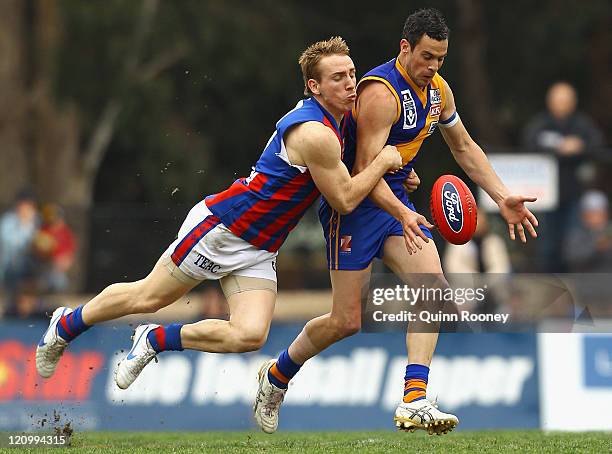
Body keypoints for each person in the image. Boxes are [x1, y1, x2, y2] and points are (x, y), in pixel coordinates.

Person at [35, 37, 403, 388]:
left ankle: (156, 338)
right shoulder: (315, 132)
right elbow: (345, 198)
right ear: (315, 86)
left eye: (352, 74)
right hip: (225, 228)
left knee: (249, 335)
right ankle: (67, 324)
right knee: (148, 297)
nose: (350, 84)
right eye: (338, 78)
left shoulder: (337, 120)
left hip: (260, 246)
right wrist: (386, 160)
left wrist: (395, 168)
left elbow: (353, 171)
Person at [254, 9, 538, 436]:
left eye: (440, 58)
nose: (433, 67)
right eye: (426, 56)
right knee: (345, 320)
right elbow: (365, 170)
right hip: (354, 207)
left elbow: (463, 147)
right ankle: (276, 376)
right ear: (405, 47)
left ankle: (414, 398)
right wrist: (404, 210)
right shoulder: (382, 93)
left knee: (434, 290)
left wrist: (502, 196)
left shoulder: (439, 92)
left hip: (395, 201)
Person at [523, 82, 604, 271]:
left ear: (573, 102)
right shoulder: (540, 124)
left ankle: (572, 291)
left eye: (565, 100)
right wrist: (559, 148)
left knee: (574, 245)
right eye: (557, 100)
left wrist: (579, 147)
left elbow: (596, 144)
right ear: (549, 102)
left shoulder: (582, 125)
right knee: (547, 244)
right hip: (545, 198)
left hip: (574, 195)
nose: (561, 104)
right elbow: (529, 143)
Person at [0, 189, 39, 317]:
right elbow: (13, 245)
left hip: (32, 267)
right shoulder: (8, 222)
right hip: (11, 268)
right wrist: (26, 225)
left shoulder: (37, 220)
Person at [564, 190, 612, 272]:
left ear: (605, 214)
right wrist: (596, 248)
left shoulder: (609, 231)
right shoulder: (576, 235)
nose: (594, 217)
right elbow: (572, 258)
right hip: (585, 281)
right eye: (590, 213)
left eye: (597, 213)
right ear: (583, 215)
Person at [34, 204, 77, 293]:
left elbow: (69, 256)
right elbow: (37, 250)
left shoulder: (65, 233)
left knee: (60, 282)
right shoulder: (44, 230)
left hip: (57, 269)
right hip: (43, 266)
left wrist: (63, 261)